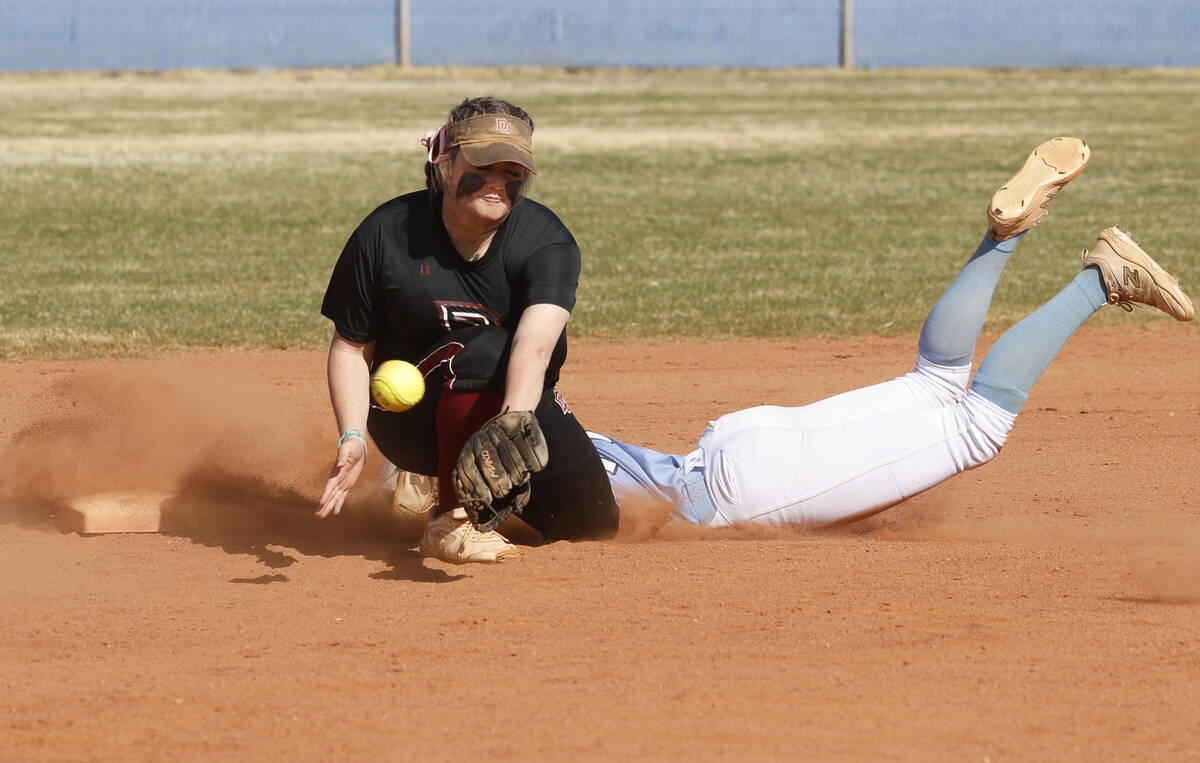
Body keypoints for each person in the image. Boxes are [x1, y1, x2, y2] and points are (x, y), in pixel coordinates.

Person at [585, 137, 1194, 529]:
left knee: (975, 427)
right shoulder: (522, 416)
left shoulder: (509, 471)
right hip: (720, 449)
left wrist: (493, 521)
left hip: (729, 492)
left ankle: (1103, 279)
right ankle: (1003, 237)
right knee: (933, 384)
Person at [317, 96, 619, 563]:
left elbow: (536, 347)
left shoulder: (546, 241)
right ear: (444, 162)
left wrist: (514, 424)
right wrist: (352, 436)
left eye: (512, 170)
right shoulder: (386, 233)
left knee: (594, 526)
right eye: (484, 164)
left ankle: (477, 488)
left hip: (514, 404)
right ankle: (450, 520)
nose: (499, 180)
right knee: (485, 347)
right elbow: (351, 346)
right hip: (410, 420)